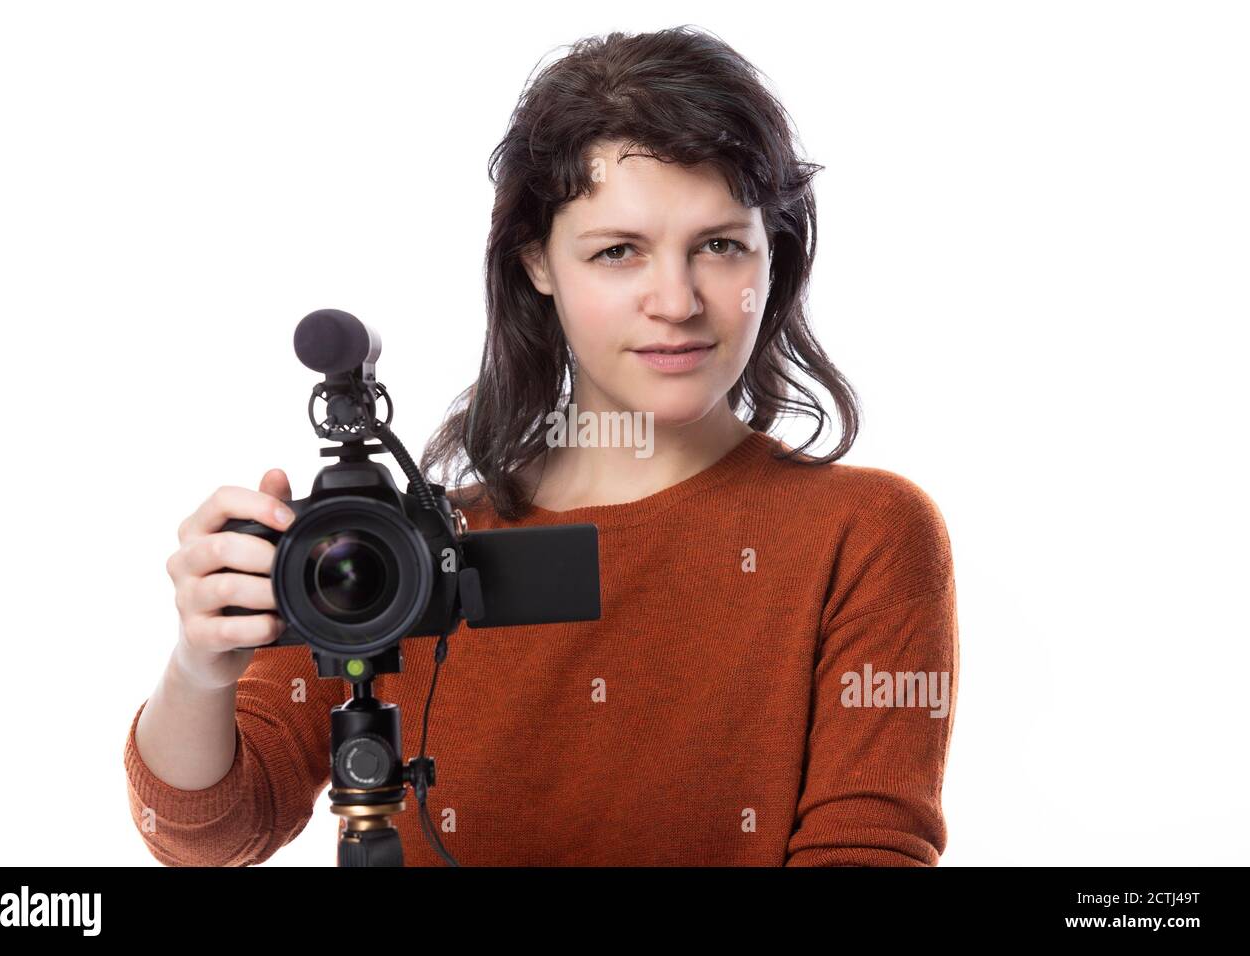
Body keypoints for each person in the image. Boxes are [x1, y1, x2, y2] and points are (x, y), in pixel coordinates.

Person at [125, 25, 958, 866]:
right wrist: (202, 664)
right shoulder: (404, 555)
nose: (676, 301)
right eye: (618, 252)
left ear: (770, 255)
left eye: (718, 245)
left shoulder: (865, 533)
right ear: (538, 263)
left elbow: (869, 849)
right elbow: (212, 830)